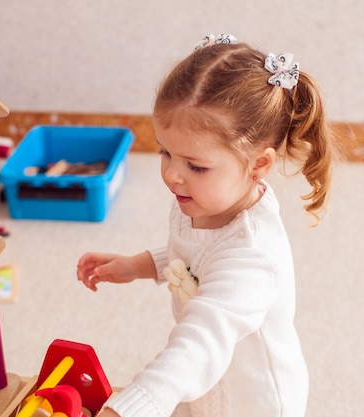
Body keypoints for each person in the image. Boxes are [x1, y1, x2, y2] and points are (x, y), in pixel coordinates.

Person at [76, 34, 339, 417]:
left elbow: (199, 343)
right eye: (165, 152)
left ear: (258, 165)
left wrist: (133, 406)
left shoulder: (252, 258)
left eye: (195, 165)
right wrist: (140, 264)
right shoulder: (199, 197)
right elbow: (197, 257)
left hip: (253, 403)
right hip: (207, 390)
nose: (172, 176)